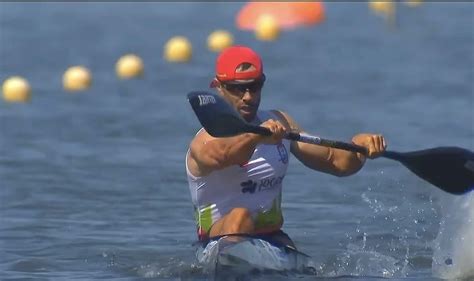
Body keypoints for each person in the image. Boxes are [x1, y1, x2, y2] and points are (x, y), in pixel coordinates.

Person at [185, 45, 387, 250]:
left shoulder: (280, 123)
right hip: (217, 241)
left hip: (273, 238)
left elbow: (336, 162)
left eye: (254, 86)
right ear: (218, 86)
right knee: (240, 216)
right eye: (238, 88)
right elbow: (222, 156)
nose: (248, 96)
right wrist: (256, 137)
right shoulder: (204, 140)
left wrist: (360, 148)